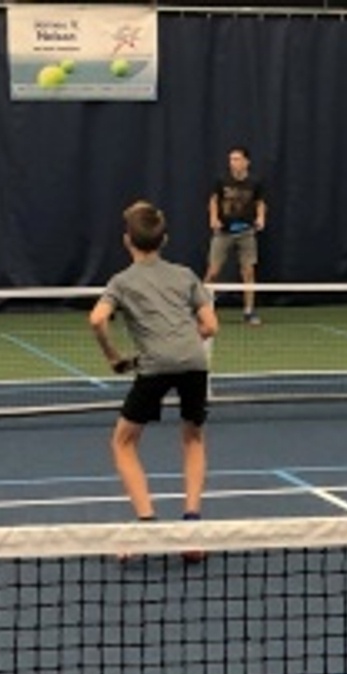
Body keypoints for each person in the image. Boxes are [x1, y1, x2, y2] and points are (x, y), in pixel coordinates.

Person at [89, 201, 219, 548]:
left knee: (123, 442)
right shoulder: (185, 275)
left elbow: (97, 319)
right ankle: (192, 530)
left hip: (154, 366)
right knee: (193, 438)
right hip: (194, 361)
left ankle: (147, 525)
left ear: (127, 240)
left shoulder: (121, 282)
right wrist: (183, 342)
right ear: (164, 240)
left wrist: (114, 357)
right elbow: (210, 325)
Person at [206, 145, 267, 325]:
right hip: (223, 232)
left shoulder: (255, 182)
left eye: (237, 159)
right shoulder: (221, 180)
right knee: (213, 272)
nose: (233, 163)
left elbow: (261, 202)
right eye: (231, 159)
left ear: (247, 162)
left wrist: (261, 217)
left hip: (246, 232)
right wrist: (214, 218)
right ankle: (203, 309)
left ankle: (249, 312)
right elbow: (214, 201)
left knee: (248, 272)